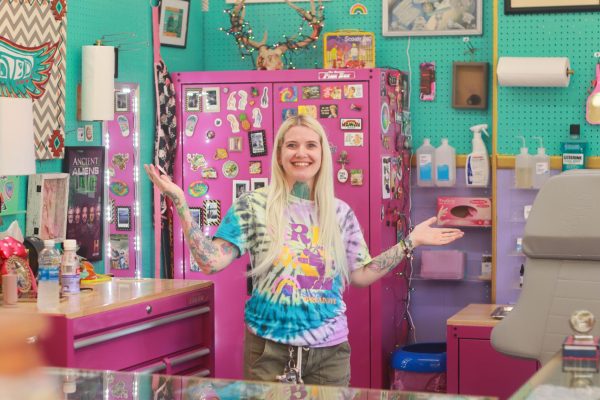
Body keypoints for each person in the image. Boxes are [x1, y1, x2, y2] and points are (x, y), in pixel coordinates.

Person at [144, 115, 463, 386]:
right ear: (280, 154)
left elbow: (362, 274)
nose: (302, 153)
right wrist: (180, 202)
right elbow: (210, 262)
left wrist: (411, 242)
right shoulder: (253, 207)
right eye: (292, 145)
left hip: (330, 356)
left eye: (311, 145)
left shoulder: (339, 214)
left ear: (322, 153)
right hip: (268, 352)